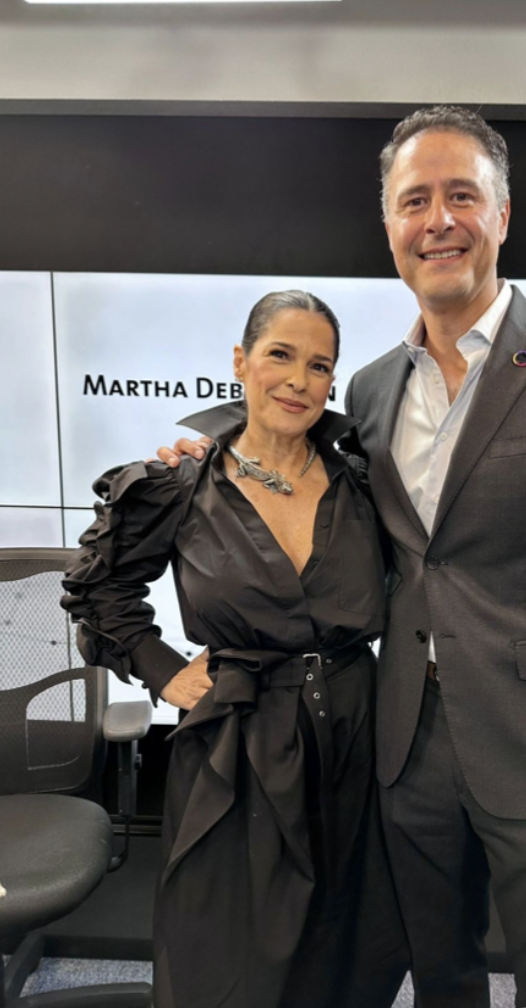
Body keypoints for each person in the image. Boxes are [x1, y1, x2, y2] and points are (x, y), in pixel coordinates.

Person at [157, 107, 526, 1008]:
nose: (438, 220)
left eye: (461, 196)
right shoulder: (366, 387)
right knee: (440, 977)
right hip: (402, 748)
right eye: (414, 201)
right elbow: (288, 455)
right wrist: (203, 455)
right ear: (391, 228)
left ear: (502, 214)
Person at [61, 290, 408, 1008]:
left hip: (358, 733)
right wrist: (166, 674)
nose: (298, 380)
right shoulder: (181, 484)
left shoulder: (362, 481)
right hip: (240, 745)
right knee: (229, 952)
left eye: (320, 366)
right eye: (280, 354)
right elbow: (98, 592)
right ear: (241, 362)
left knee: (350, 939)